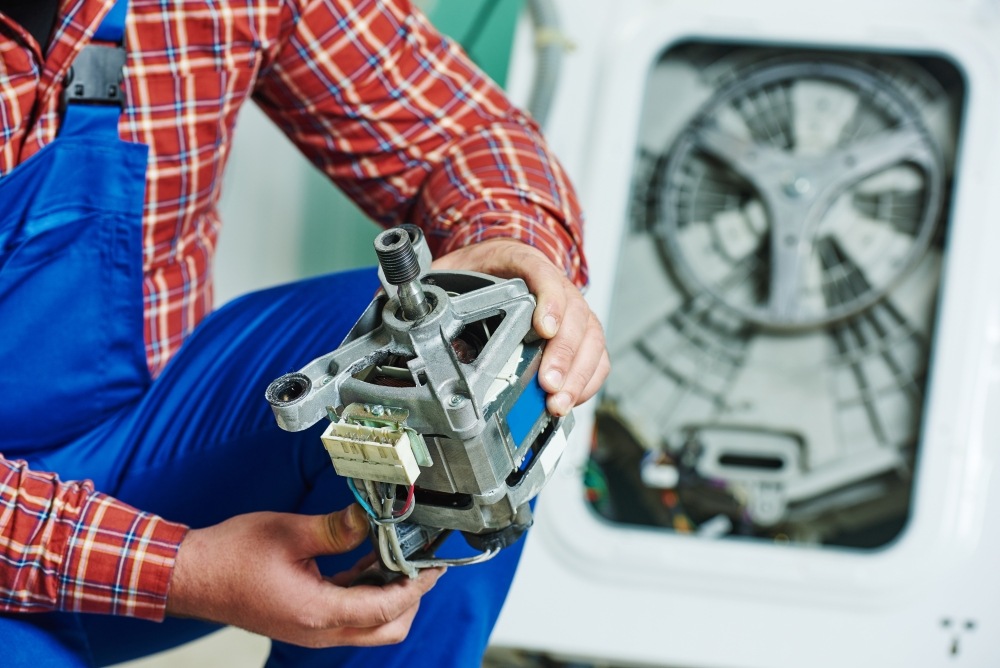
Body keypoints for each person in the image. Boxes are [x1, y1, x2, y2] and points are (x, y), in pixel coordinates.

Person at [0, 0, 608, 665]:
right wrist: (180, 567)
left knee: (470, 357)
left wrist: (515, 248)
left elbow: (458, 132)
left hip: (142, 453)